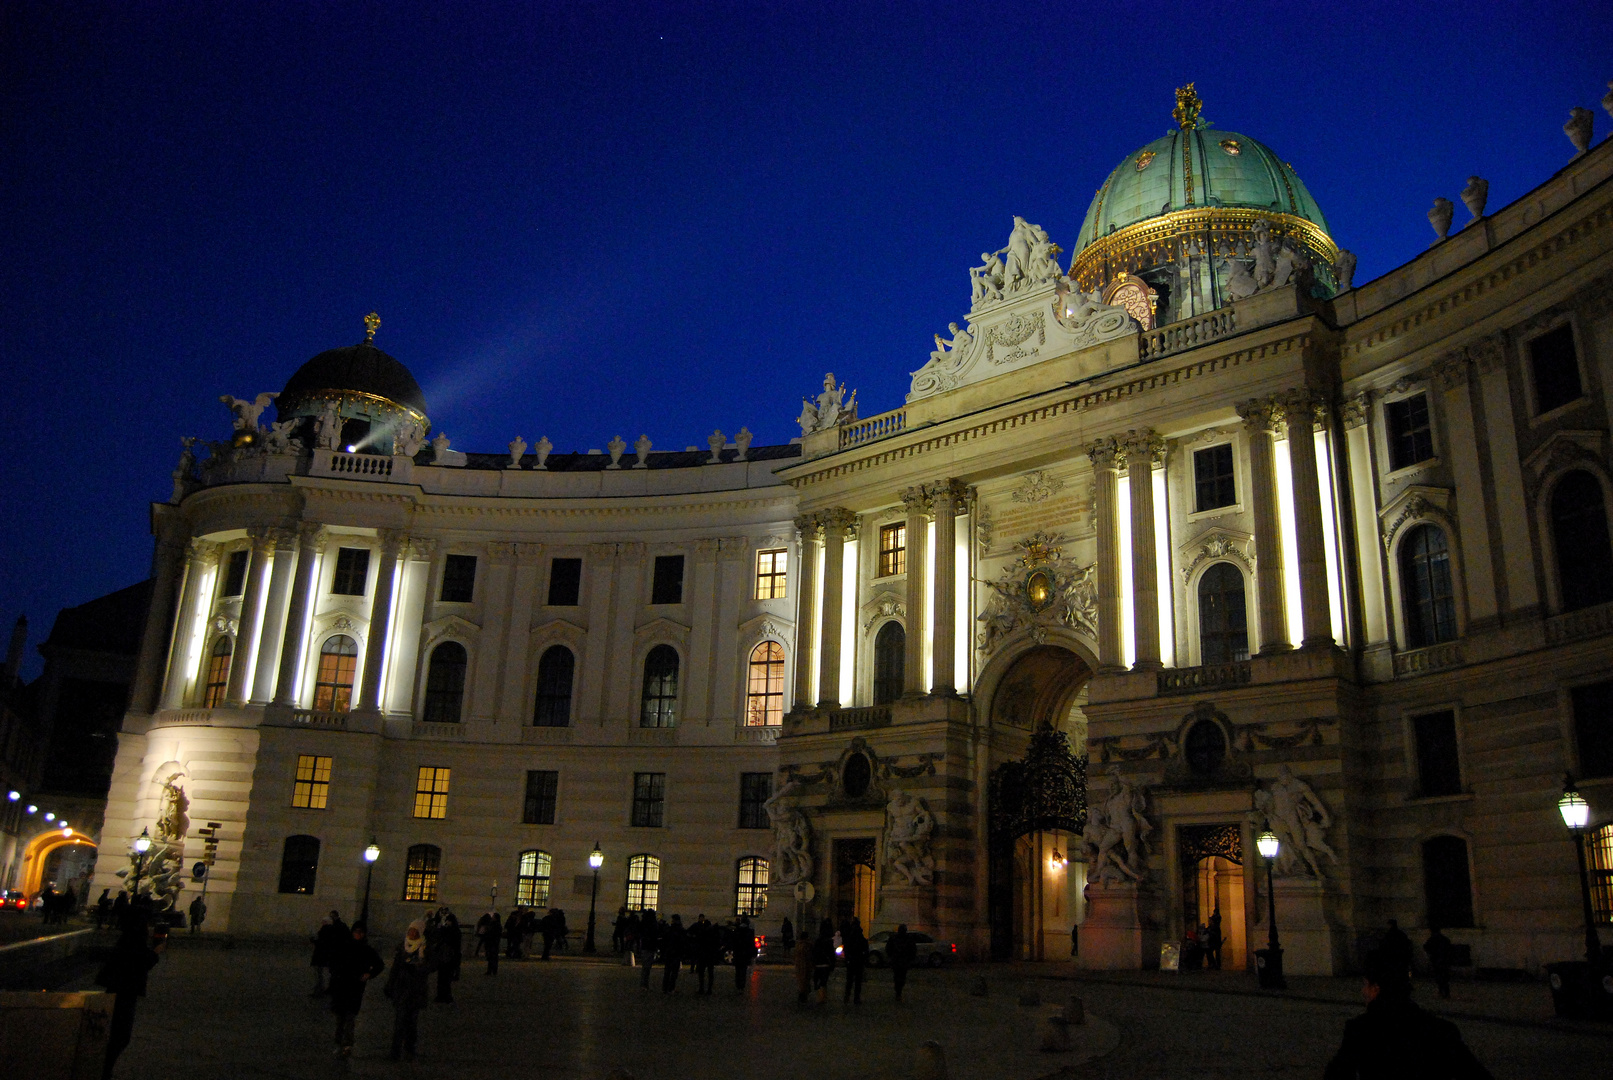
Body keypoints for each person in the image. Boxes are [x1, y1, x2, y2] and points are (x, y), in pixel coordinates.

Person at [1323, 950, 1493, 1079]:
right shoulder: (1440, 1029)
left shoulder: (1361, 1030)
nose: (1363, 991)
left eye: (1366, 985)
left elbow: (1337, 1074)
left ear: (1376, 988)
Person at [97, 909, 162, 1080]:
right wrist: (155, 953)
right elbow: (139, 962)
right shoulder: (134, 940)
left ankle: (104, 1069)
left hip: (119, 988)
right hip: (126, 990)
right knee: (120, 1035)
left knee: (117, 1034)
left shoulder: (127, 938)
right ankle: (103, 1070)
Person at [329, 921, 384, 1057]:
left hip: (355, 988)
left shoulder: (366, 949)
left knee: (349, 1018)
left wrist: (369, 974)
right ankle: (338, 1043)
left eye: (360, 932)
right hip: (341, 987)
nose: (358, 934)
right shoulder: (344, 946)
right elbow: (333, 962)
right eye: (356, 931)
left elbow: (379, 965)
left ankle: (347, 1044)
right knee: (340, 1019)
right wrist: (335, 975)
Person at [384, 920, 433, 1062]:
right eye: (410, 930)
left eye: (414, 931)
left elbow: (432, 965)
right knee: (399, 1021)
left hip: (416, 989)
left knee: (412, 1021)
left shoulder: (425, 947)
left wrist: (420, 966)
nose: (411, 933)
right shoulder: (402, 946)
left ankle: (410, 1047)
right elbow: (395, 967)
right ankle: (395, 1051)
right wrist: (390, 985)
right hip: (402, 988)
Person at [311, 911, 346, 996]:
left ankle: (320, 990)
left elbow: (321, 943)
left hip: (321, 955)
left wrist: (314, 940)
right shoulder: (334, 929)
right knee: (325, 974)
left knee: (320, 974)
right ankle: (325, 989)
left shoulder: (325, 930)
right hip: (328, 955)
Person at [431, 908, 462, 1003]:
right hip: (443, 956)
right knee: (441, 977)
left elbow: (456, 945)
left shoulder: (454, 931)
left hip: (449, 957)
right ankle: (441, 995)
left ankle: (446, 996)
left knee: (446, 978)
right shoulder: (444, 930)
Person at [841, 917, 869, 1004]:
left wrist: (847, 959)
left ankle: (847, 997)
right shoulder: (861, 937)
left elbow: (846, 949)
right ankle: (856, 998)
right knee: (857, 981)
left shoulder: (850, 936)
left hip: (851, 961)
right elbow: (865, 950)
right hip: (859, 961)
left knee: (849, 980)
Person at [888, 923, 917, 1002]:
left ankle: (898, 992)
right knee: (900, 977)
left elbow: (888, 949)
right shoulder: (907, 939)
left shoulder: (895, 938)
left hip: (899, 961)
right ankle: (898, 992)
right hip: (901, 961)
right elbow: (913, 950)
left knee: (898, 977)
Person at [1424, 926, 1455, 1000]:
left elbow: (1426, 946)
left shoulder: (1433, 939)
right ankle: (1446, 993)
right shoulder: (1444, 939)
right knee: (1444, 977)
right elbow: (1449, 949)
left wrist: (1431, 953)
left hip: (1436, 960)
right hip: (1444, 961)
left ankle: (1442, 992)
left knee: (1439, 977)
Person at [691, 914, 719, 994]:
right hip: (710, 955)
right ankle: (709, 989)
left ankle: (701, 988)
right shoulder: (713, 933)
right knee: (710, 973)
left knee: (701, 973)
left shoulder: (702, 932)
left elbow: (698, 942)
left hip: (702, 955)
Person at [811, 917, 836, 1003]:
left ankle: (821, 996)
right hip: (825, 964)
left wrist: (813, 962)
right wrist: (832, 964)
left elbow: (814, 952)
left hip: (818, 963)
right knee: (823, 981)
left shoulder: (818, 941)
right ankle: (822, 997)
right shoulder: (829, 941)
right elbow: (831, 954)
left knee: (818, 980)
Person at [661, 913, 687, 992]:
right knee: (674, 972)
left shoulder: (670, 929)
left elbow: (665, 940)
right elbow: (683, 942)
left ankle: (665, 988)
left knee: (668, 971)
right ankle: (671, 987)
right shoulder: (680, 930)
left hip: (670, 952)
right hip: (676, 953)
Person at [732, 915, 757, 992]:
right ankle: (741, 986)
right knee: (743, 971)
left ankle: (738, 985)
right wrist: (753, 953)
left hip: (738, 953)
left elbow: (734, 943)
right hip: (745, 954)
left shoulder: (737, 931)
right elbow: (751, 944)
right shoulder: (749, 932)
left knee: (738, 971)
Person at [638, 909, 660, 988]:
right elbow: (656, 934)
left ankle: (643, 984)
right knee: (647, 967)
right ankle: (645, 984)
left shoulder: (644, 923)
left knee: (645, 967)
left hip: (644, 946)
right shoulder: (653, 924)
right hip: (651, 947)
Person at [792, 931, 814, 1003]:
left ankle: (802, 995)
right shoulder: (807, 945)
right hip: (806, 965)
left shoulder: (798, 945)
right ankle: (803, 996)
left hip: (799, 965)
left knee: (801, 981)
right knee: (805, 981)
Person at [483, 909, 502, 974]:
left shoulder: (495, 925)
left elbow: (492, 934)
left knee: (492, 957)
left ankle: (492, 970)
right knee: (492, 957)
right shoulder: (494, 924)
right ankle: (492, 970)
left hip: (493, 943)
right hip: (493, 943)